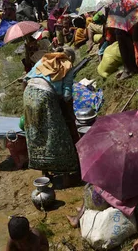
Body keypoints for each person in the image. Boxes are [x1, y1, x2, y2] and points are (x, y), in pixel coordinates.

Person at [23, 47, 80, 180]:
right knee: (57, 134)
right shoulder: (67, 65)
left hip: (28, 93)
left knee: (36, 132)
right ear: (70, 58)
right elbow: (66, 94)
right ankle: (66, 174)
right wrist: (70, 114)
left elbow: (25, 80)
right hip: (45, 95)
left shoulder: (45, 60)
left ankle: (45, 171)